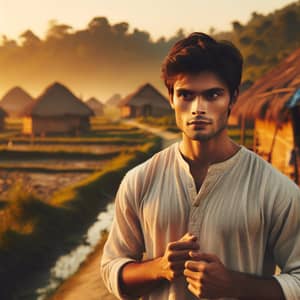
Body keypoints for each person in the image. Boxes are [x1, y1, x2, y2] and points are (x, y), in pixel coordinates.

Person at [101, 32, 300, 300]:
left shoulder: (275, 189)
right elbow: (112, 267)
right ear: (171, 98)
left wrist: (234, 285)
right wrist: (158, 268)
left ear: (232, 98)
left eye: (213, 94)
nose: (198, 108)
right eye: (186, 95)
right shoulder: (139, 180)